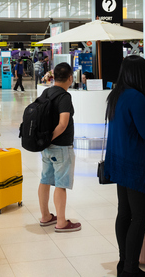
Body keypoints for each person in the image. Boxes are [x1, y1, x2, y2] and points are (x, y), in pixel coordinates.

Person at [104, 55, 145, 277]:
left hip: (118, 160)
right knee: (140, 216)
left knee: (124, 213)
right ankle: (131, 269)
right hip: (133, 164)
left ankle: (124, 264)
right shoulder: (136, 96)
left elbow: (128, 128)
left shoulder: (116, 94)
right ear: (141, 75)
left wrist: (144, 143)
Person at [37, 62, 80, 233]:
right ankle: (61, 222)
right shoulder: (64, 97)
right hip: (60, 146)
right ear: (70, 78)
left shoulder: (46, 92)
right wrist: (50, 139)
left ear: (54, 76)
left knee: (45, 180)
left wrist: (45, 141)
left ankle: (45, 216)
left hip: (46, 148)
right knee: (60, 184)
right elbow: (63, 124)